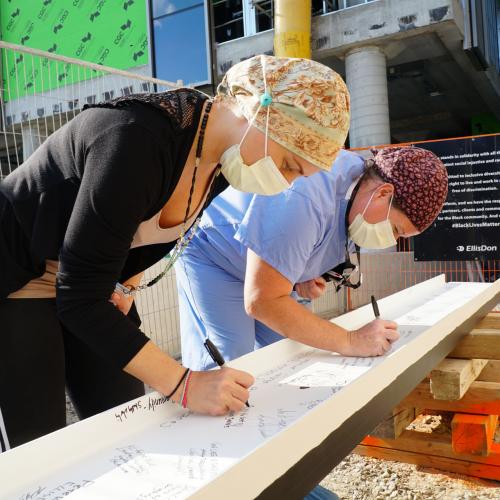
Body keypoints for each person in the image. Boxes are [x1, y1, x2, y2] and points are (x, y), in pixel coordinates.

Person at [0, 55, 351, 451]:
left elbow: (130, 237)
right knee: (35, 445)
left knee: (127, 420)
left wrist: (127, 287)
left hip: (83, 280)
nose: (284, 182)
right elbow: (80, 298)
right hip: (16, 277)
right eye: (289, 165)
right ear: (259, 111)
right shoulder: (135, 139)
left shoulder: (219, 163)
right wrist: (185, 383)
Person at [175, 146, 449, 369]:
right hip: (212, 253)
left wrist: (301, 276)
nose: (391, 239)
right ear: (384, 193)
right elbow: (262, 300)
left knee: (289, 353)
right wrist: (351, 340)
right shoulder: (306, 197)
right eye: (396, 229)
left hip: (257, 268)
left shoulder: (360, 195)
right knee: (231, 358)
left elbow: (312, 243)